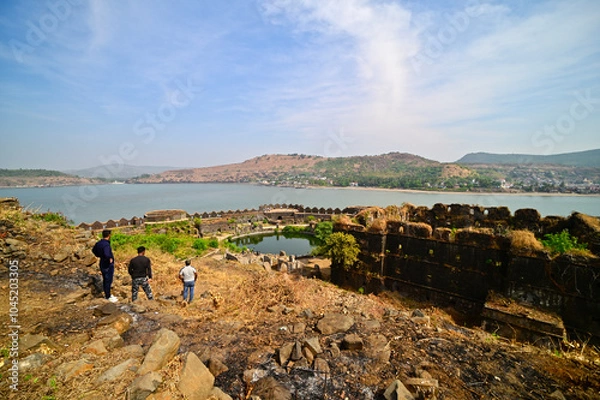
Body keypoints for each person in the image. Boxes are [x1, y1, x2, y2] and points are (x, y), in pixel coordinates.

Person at [92, 229, 118, 302]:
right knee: (108, 280)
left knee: (105, 279)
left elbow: (93, 250)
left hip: (102, 262)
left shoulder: (99, 243)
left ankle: (108, 294)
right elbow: (107, 254)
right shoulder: (106, 244)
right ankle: (108, 296)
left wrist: (99, 255)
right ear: (109, 235)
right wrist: (109, 258)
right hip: (107, 264)